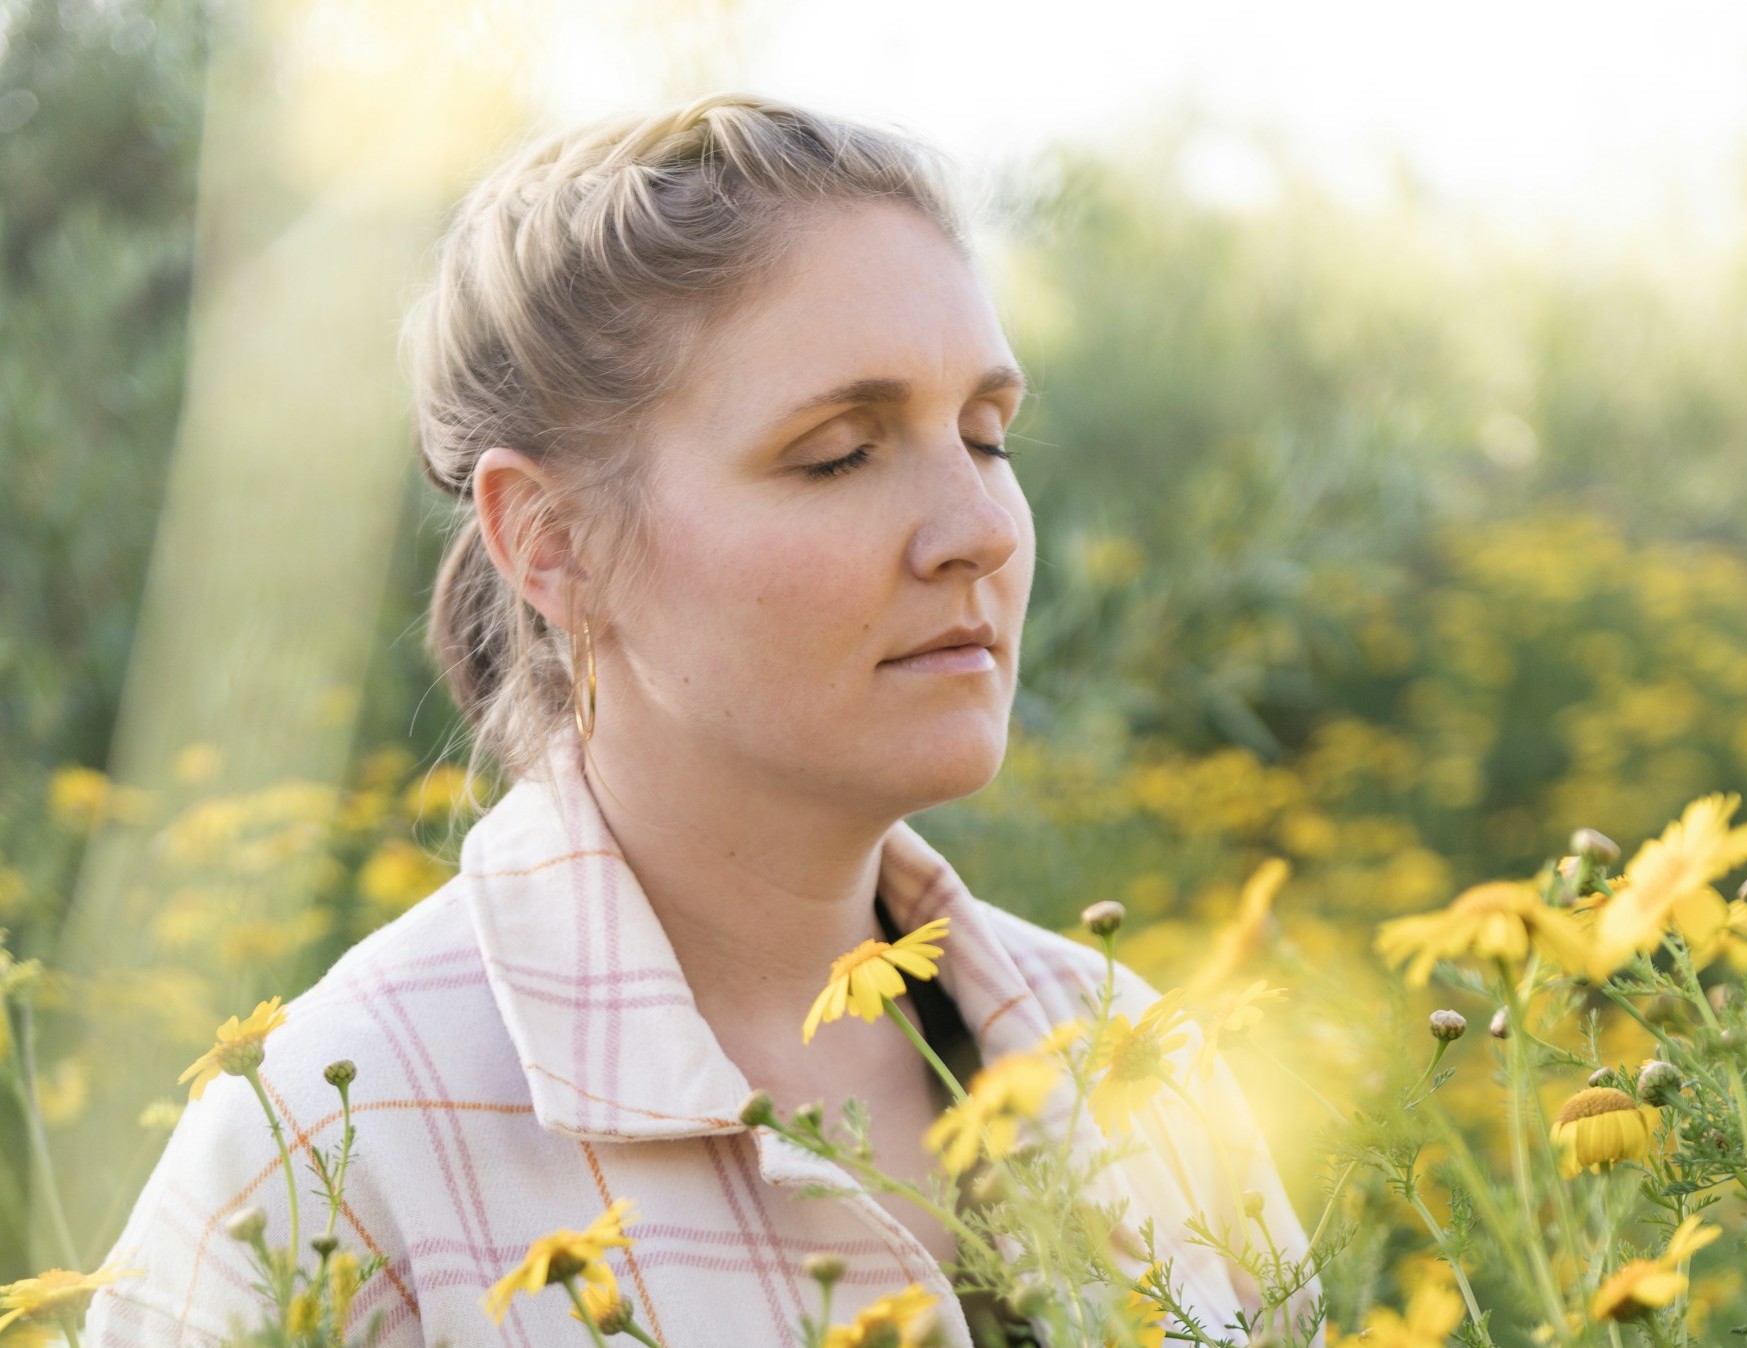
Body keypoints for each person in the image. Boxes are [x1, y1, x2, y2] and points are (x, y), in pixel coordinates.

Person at [89, 93, 1320, 1347]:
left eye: (987, 436)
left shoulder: (1140, 1064)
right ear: (553, 543)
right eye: (839, 452)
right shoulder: (328, 1163)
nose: (982, 530)